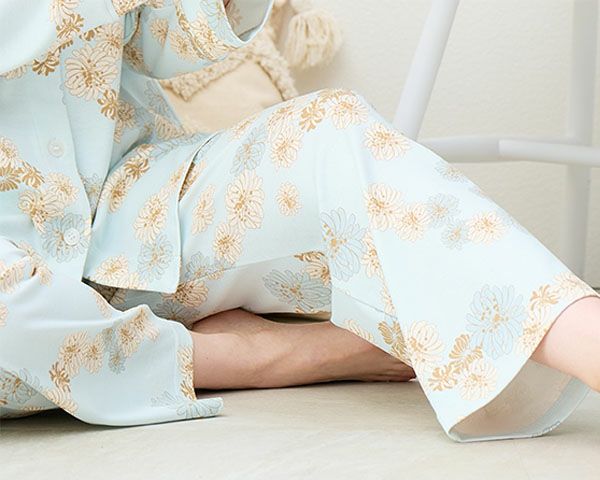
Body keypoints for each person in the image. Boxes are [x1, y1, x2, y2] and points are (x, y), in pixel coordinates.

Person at [1, 0, 599, 442]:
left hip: (129, 212)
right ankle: (272, 355)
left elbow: (158, 44)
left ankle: (588, 340)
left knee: (332, 135)